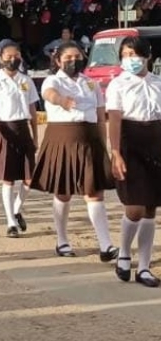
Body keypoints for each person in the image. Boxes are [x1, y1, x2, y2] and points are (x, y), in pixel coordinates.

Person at [30, 42, 117, 261]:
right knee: (63, 192)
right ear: (58, 60)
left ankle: (106, 245)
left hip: (90, 140)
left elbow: (100, 115)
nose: (73, 61)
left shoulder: (90, 83)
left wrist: (103, 143)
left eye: (77, 56)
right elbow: (49, 94)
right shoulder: (53, 80)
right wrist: (62, 101)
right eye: (68, 57)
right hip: (63, 138)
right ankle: (62, 239)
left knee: (94, 192)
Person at [106, 36, 160, 287]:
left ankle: (145, 267)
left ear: (148, 56)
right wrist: (115, 152)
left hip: (156, 143)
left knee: (151, 207)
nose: (131, 59)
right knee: (135, 206)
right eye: (126, 55)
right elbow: (115, 119)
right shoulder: (118, 85)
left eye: (135, 54)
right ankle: (124, 253)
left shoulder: (158, 83)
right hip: (130, 142)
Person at [0, 42, 39, 238]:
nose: (13, 59)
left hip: (23, 128)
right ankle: (10, 222)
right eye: (9, 56)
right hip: (4, 128)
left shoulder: (26, 80)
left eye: (16, 55)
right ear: (1, 57)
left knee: (30, 177)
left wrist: (35, 135)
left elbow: (32, 109)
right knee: (8, 179)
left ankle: (16, 208)